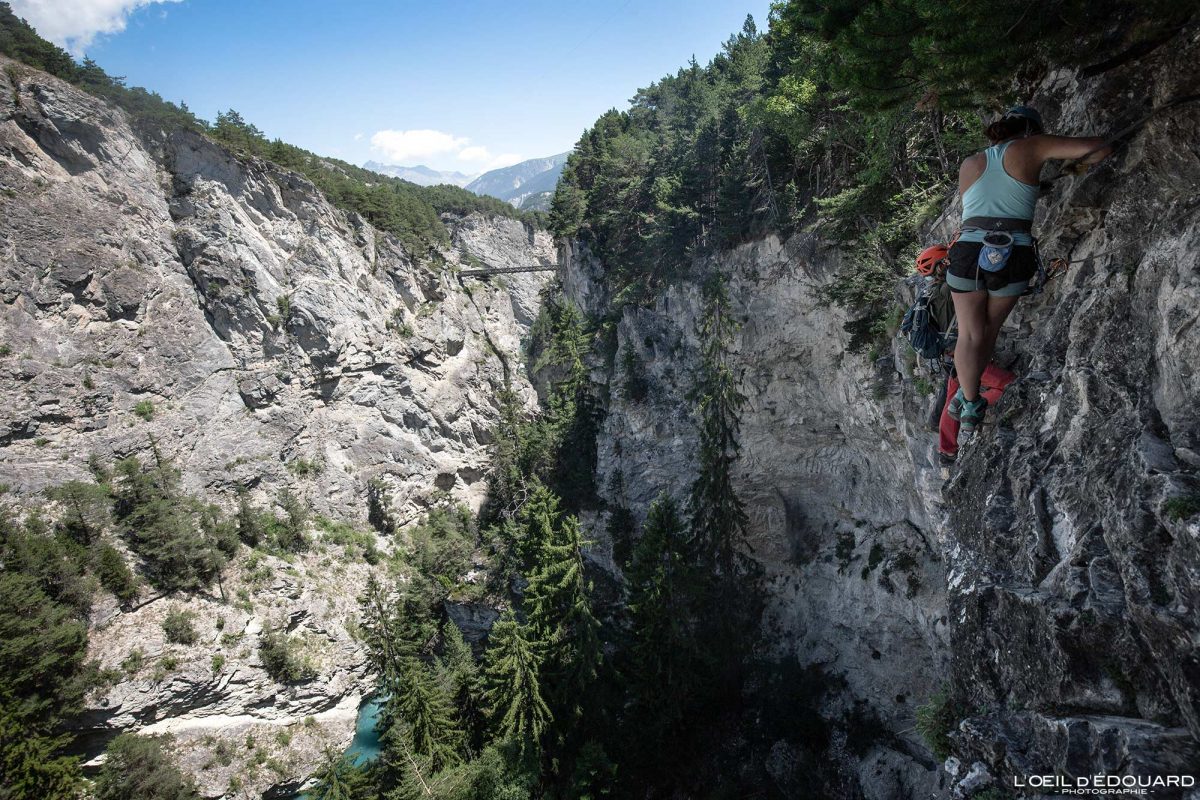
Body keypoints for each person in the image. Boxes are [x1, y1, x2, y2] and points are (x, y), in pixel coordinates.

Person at [946, 106, 1112, 433]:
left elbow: (983, 203)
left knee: (968, 334)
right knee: (989, 331)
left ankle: (968, 402)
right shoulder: (1033, 145)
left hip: (967, 251)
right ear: (1031, 131)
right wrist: (1075, 167)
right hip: (1012, 251)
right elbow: (1102, 147)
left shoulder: (970, 164)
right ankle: (967, 396)